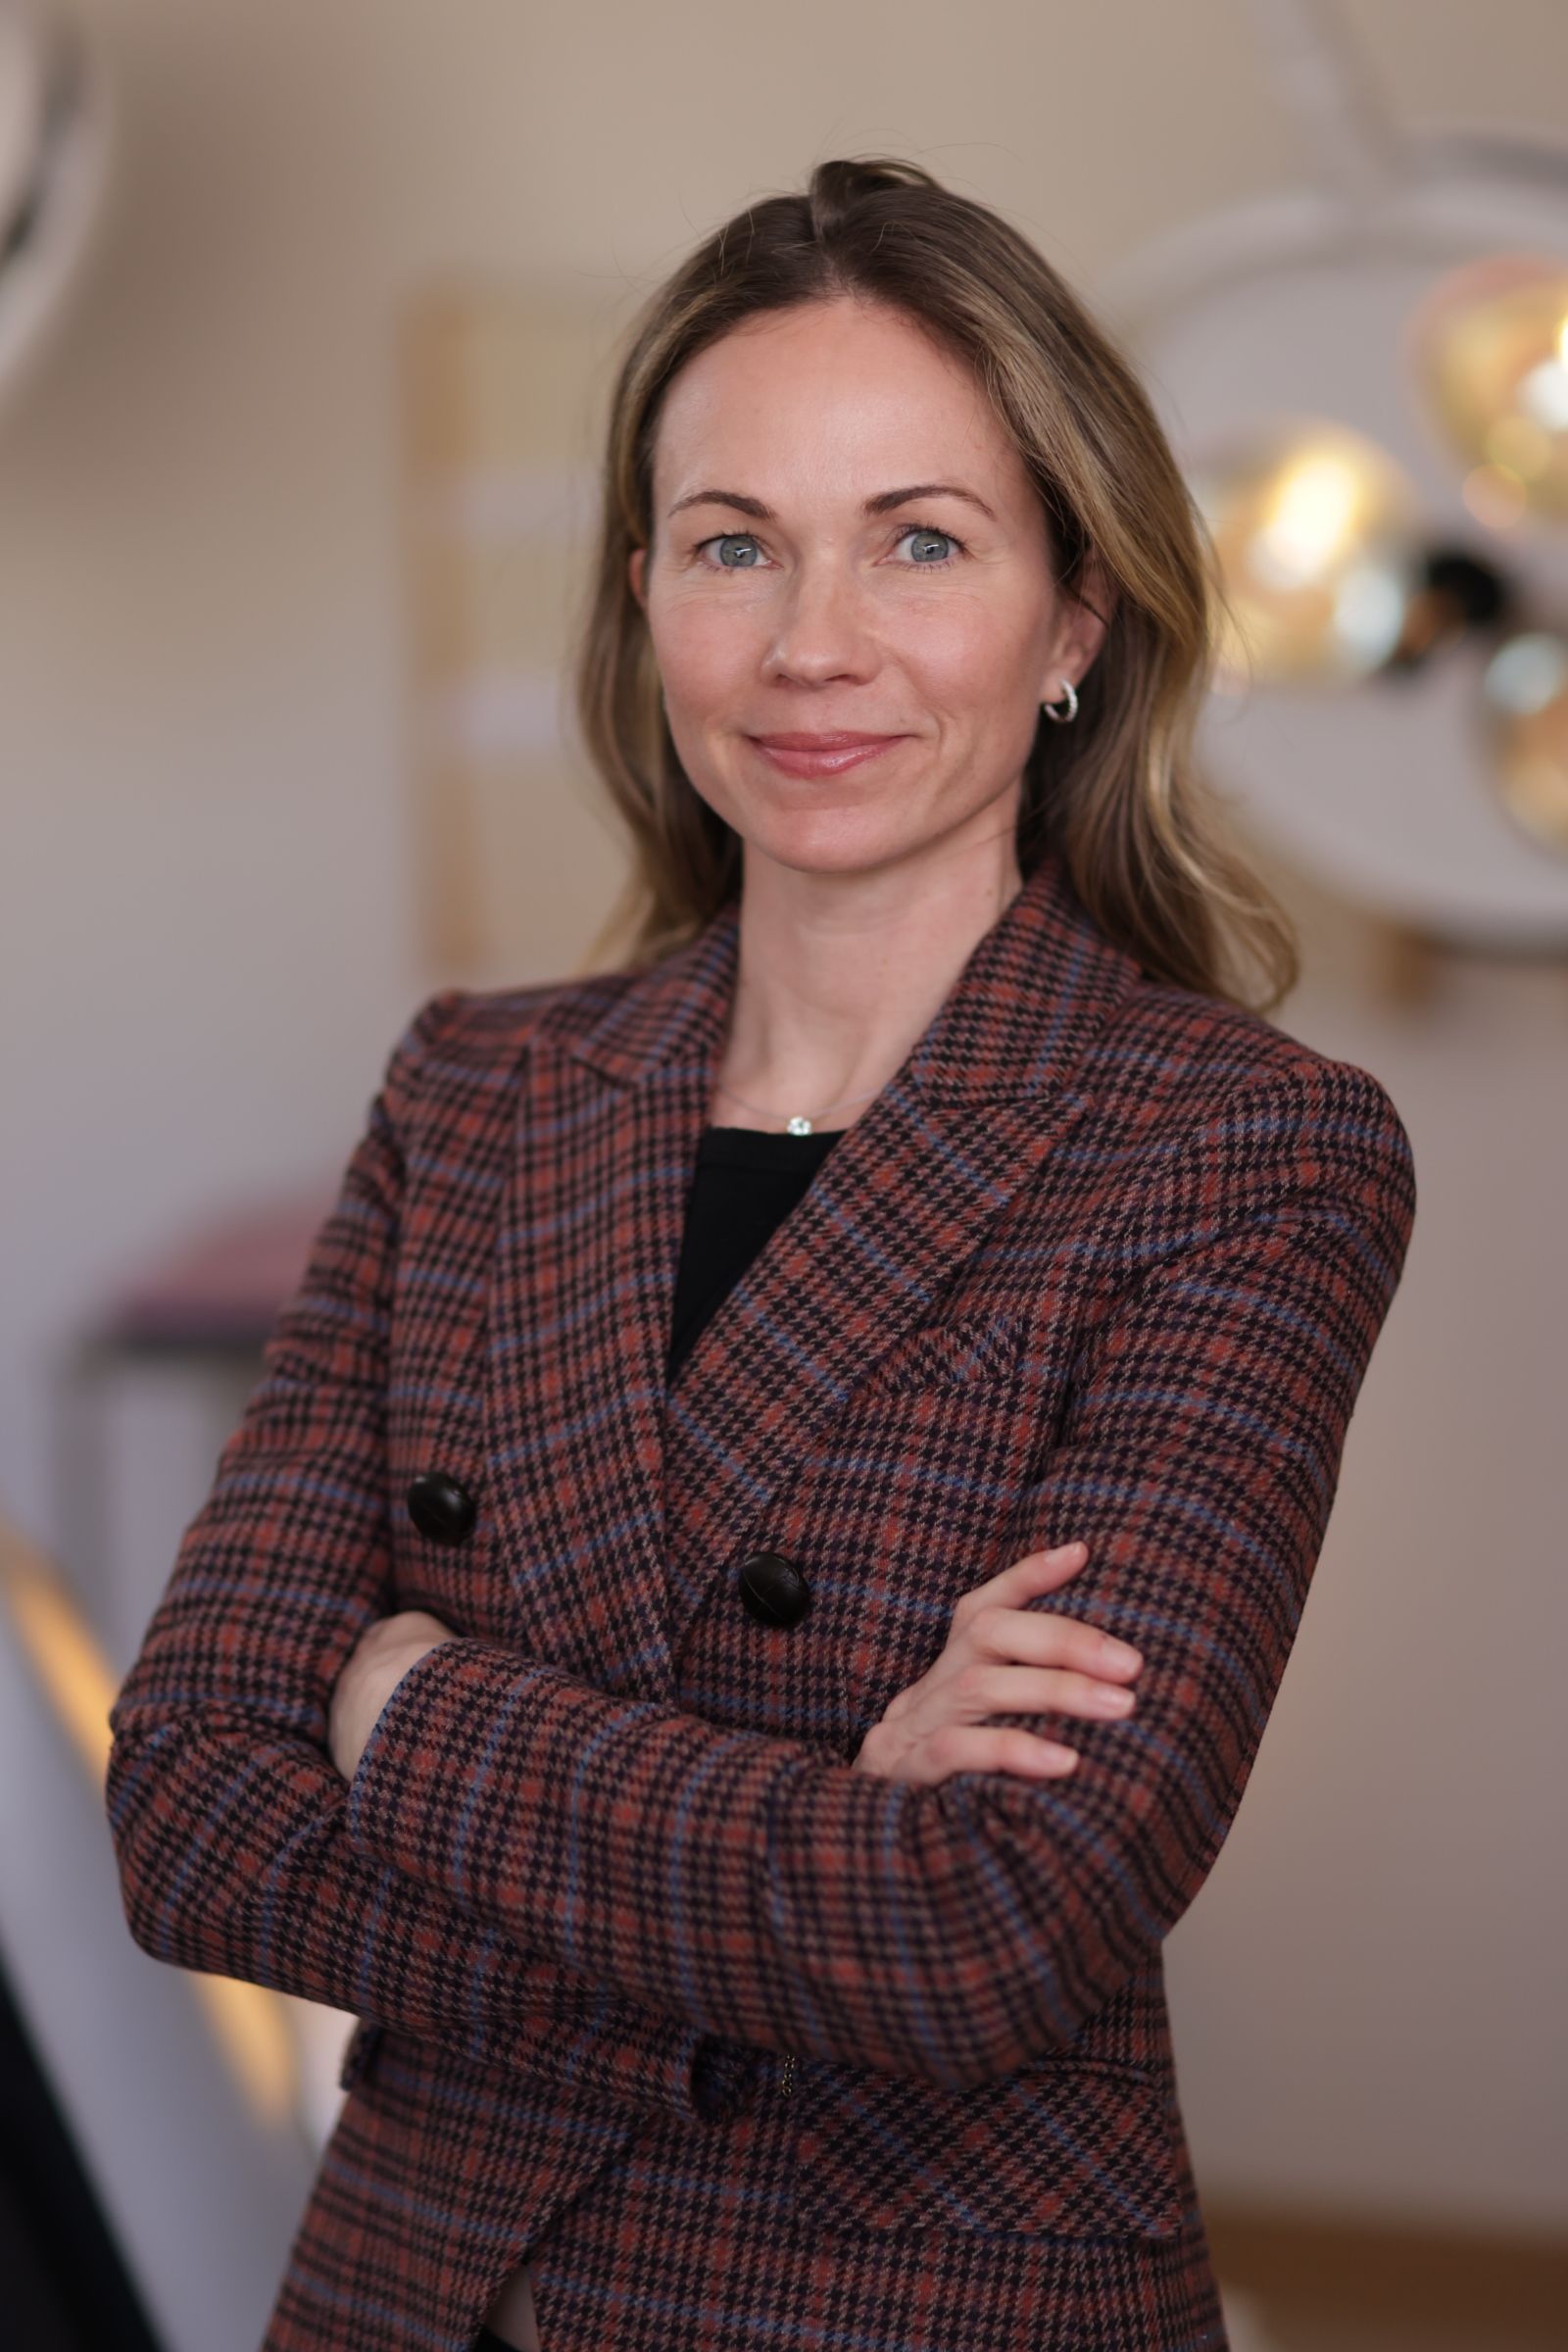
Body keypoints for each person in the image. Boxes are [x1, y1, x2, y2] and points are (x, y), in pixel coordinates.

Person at [106, 156, 1416, 2352]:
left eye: (922, 541)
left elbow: (992, 1931)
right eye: (735, 545)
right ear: (645, 601)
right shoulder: (476, 1093)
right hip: (413, 2294)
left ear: (1073, 616)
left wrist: (402, 1705)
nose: (815, 643)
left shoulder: (1239, 1152)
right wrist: (812, 1845)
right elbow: (189, 1814)